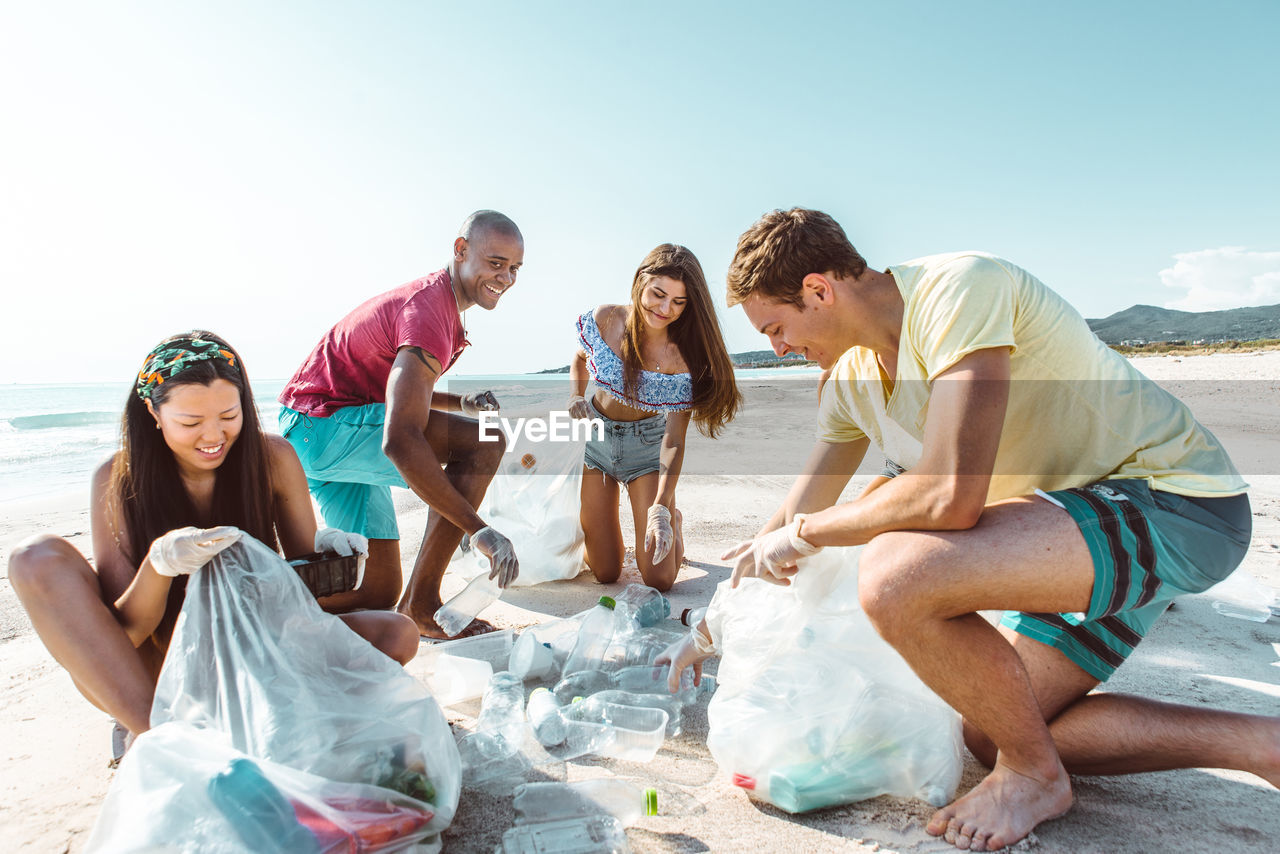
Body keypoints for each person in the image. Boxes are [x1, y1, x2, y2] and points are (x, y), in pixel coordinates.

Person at [666, 208, 1278, 851]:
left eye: (776, 327)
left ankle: (1035, 778)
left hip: (1177, 503)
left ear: (819, 290)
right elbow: (788, 522)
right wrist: (711, 627)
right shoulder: (849, 380)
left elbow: (949, 498)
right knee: (992, 726)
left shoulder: (959, 290)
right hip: (1071, 528)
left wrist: (811, 534)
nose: (779, 348)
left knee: (898, 578)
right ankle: (1260, 744)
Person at [8, 332, 419, 750]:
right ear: (153, 411)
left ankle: (232, 717)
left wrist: (328, 552)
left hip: (254, 651)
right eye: (190, 422)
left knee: (396, 634)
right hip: (160, 667)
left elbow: (302, 596)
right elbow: (126, 633)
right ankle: (157, 736)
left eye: (228, 415)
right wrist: (160, 564)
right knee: (34, 557)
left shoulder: (272, 458)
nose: (213, 436)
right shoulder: (117, 481)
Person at [278, 210, 523, 638]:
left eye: (515, 269)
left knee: (376, 588)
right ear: (461, 250)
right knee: (484, 443)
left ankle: (271, 607)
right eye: (496, 263)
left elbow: (402, 392)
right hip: (325, 426)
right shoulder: (429, 310)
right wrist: (479, 530)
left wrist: (461, 402)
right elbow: (399, 438)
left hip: (322, 431)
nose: (505, 278)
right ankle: (423, 604)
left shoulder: (439, 307)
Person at [566, 244, 741, 591]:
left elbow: (674, 440)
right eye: (658, 294)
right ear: (639, 283)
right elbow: (580, 358)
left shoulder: (683, 357)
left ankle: (674, 519)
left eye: (679, 302)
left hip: (646, 452)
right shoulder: (607, 319)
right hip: (596, 446)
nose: (665, 309)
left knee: (659, 580)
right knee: (605, 573)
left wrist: (661, 507)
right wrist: (575, 395)